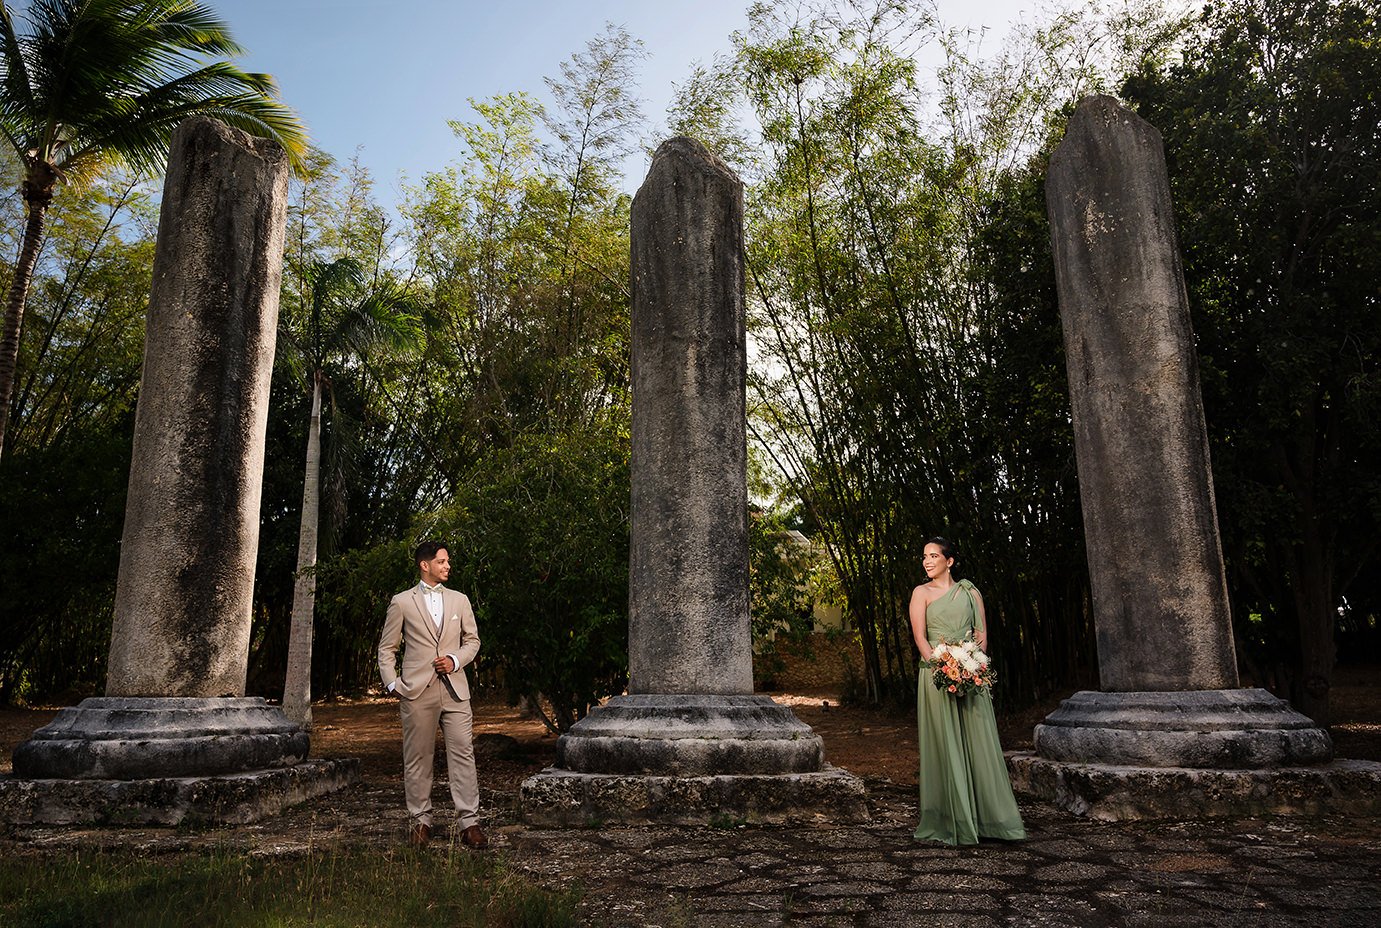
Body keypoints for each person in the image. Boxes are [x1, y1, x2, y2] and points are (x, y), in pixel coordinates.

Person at [910, 536, 1026, 845]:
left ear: (950, 561)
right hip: (935, 676)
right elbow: (920, 638)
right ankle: (951, 819)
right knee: (945, 744)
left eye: (934, 555)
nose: (927, 560)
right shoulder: (920, 593)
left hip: (971, 675)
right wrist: (942, 666)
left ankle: (990, 819)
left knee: (979, 743)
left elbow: (981, 633)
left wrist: (971, 665)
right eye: (924, 556)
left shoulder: (970, 591)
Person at [377, 540, 486, 848]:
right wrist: (392, 683)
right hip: (416, 691)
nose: (448, 565)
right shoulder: (401, 602)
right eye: (442, 561)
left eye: (448, 561)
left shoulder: (460, 600)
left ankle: (469, 823)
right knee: (417, 758)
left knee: (463, 754)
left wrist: (454, 660)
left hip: (455, 690)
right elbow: (387, 649)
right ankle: (420, 822)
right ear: (425, 565)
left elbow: (473, 641)